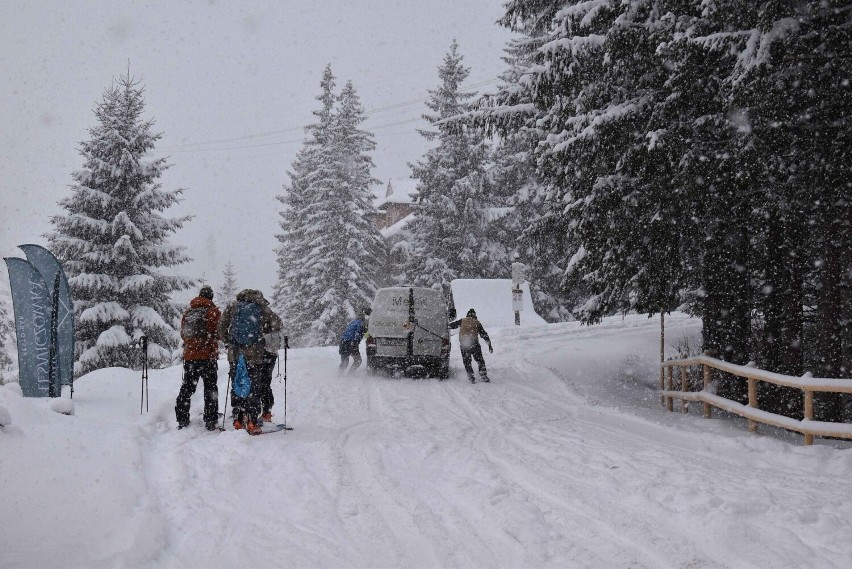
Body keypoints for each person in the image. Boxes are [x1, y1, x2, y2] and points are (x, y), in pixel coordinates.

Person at [218, 288, 279, 435]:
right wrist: (264, 332)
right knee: (253, 386)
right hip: (255, 354)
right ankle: (252, 421)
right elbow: (277, 324)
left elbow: (220, 328)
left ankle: (238, 419)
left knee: (237, 383)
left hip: (235, 353)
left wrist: (229, 341)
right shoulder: (261, 307)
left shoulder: (233, 306)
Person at [176, 285, 221, 430]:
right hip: (208, 357)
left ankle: (182, 418)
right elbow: (219, 333)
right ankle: (210, 419)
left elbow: (183, 334)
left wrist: (193, 344)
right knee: (210, 388)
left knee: (187, 387)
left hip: (190, 357)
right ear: (211, 297)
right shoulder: (213, 312)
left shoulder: (189, 312)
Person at [256, 292, 283, 423]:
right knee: (265, 382)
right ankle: (266, 411)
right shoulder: (269, 312)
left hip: (260, 352)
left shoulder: (256, 312)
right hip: (271, 352)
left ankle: (259, 411)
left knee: (259, 382)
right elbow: (279, 325)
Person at [449, 308, 492, 383]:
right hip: (474, 344)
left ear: (467, 314)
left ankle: (471, 376)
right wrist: (489, 345)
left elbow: (452, 325)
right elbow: (484, 334)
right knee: (480, 360)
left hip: (464, 344)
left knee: (467, 361)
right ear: (475, 315)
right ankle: (483, 374)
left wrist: (447, 324)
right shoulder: (477, 322)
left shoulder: (462, 320)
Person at [338, 307, 371, 375]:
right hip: (351, 343)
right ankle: (350, 374)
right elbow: (358, 333)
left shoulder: (353, 322)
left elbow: (347, 331)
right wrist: (355, 342)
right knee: (358, 360)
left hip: (343, 342)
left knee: (345, 361)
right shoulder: (362, 323)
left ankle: (339, 374)